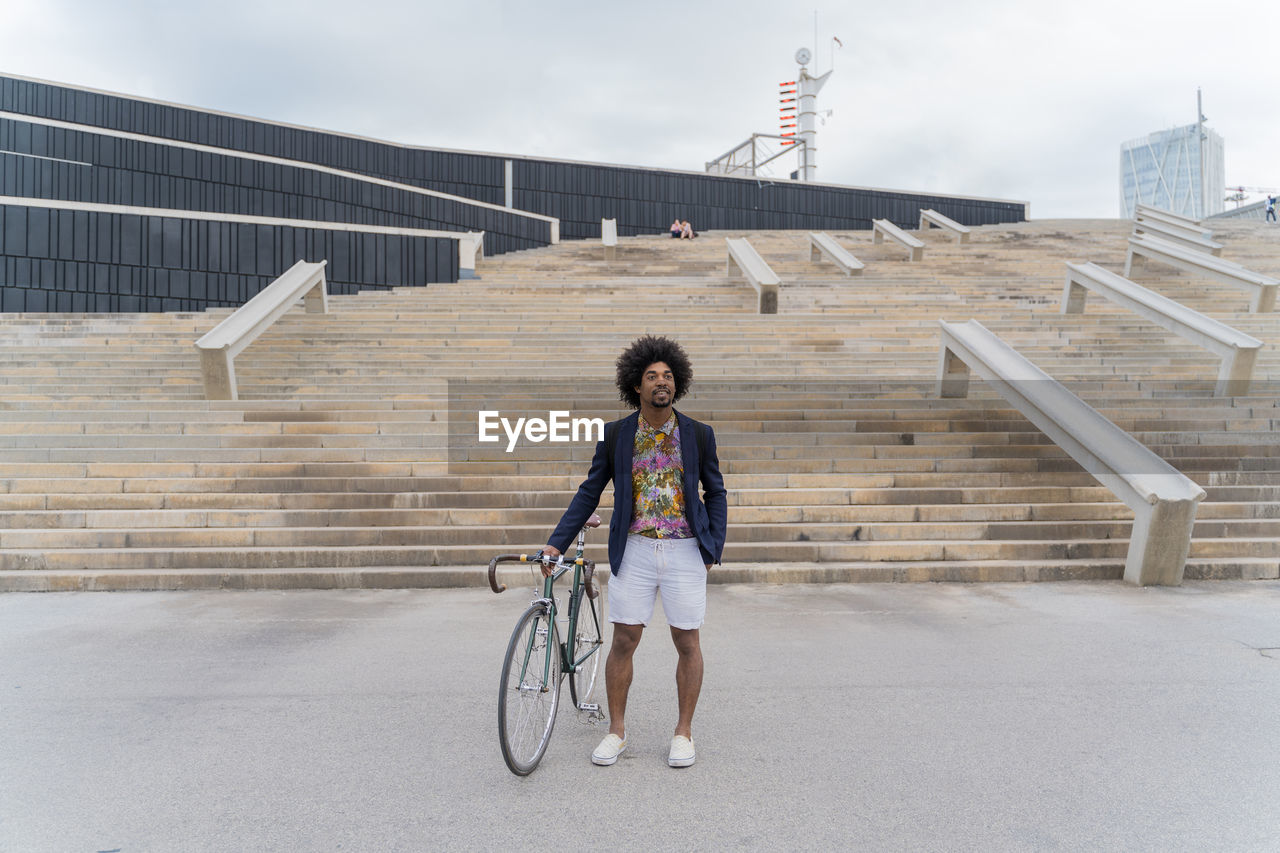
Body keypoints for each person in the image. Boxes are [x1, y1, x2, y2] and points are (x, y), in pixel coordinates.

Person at [542, 335, 726, 769]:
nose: (661, 382)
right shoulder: (616, 436)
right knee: (624, 640)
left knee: (687, 640)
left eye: (667, 376)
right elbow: (590, 492)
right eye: (651, 376)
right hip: (636, 550)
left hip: (685, 550)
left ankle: (683, 733)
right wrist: (556, 541)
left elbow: (715, 491)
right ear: (636, 385)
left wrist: (712, 545)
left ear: (676, 383)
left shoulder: (699, 434)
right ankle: (616, 732)